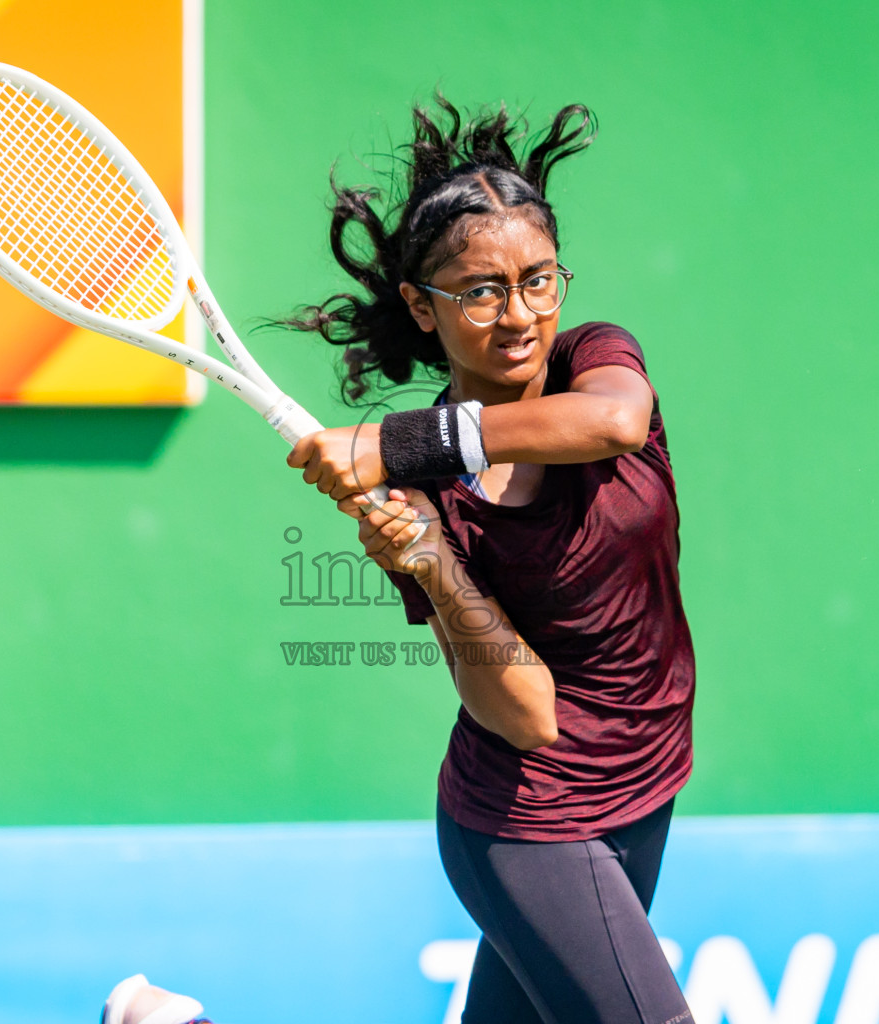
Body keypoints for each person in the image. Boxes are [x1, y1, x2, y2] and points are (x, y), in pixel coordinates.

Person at [283, 98, 698, 1024]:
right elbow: (529, 715)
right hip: (529, 815)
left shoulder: (598, 364)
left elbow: (614, 424)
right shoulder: (420, 504)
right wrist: (430, 562)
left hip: (652, 771)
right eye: (479, 291)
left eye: (539, 279)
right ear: (420, 311)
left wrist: (399, 439)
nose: (519, 316)